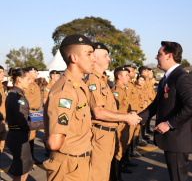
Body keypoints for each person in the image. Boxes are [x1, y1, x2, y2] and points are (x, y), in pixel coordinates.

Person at [85, 42, 141, 181]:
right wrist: (126, 117)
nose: (109, 59)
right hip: (100, 134)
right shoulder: (93, 80)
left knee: (105, 173)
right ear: (95, 57)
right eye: (105, 56)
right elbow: (98, 112)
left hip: (107, 133)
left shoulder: (102, 80)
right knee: (97, 175)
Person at [43, 34, 95, 181]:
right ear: (74, 58)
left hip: (79, 162)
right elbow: (54, 143)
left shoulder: (79, 85)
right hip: (68, 166)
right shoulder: (65, 91)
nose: (93, 58)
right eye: (89, 54)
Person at [148, 41, 192, 181]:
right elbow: (156, 105)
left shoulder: (181, 76)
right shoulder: (166, 78)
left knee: (178, 178)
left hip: (177, 138)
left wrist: (168, 123)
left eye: (159, 54)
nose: (156, 57)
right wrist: (138, 118)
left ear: (169, 56)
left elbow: (191, 107)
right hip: (171, 139)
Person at [5, 68, 43, 181]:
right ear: (19, 80)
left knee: (25, 168)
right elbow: (24, 124)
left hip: (18, 135)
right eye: (27, 79)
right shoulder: (17, 97)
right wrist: (44, 123)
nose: (30, 81)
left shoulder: (17, 94)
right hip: (18, 136)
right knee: (20, 171)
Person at [110, 67, 131, 181]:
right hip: (119, 125)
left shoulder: (123, 89)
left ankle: (118, 175)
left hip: (124, 124)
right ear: (119, 76)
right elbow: (114, 110)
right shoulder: (116, 91)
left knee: (120, 150)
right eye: (126, 75)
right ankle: (115, 177)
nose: (129, 77)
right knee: (116, 151)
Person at [24, 66, 42, 165]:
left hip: (35, 113)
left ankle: (31, 158)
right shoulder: (28, 83)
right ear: (29, 72)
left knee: (32, 136)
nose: (37, 74)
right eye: (35, 72)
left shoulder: (34, 83)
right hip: (29, 112)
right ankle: (27, 160)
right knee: (28, 137)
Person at [0, 66, 6, 181]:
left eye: (2, 71)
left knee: (0, 147)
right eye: (0, 72)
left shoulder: (1, 86)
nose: (2, 74)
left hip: (2, 121)